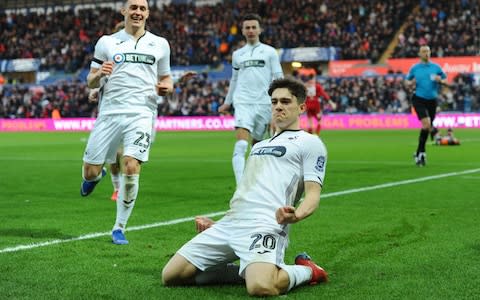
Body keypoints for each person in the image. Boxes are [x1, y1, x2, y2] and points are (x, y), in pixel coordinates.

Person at [162, 77, 328, 296]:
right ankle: (252, 270)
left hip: (266, 224)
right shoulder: (261, 145)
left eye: (286, 101)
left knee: (261, 287)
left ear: (302, 107)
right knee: (172, 276)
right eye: (274, 101)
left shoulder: (310, 143)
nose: (278, 106)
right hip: (231, 223)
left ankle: (308, 270)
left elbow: (313, 195)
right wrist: (220, 223)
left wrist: (295, 215)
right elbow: (248, 191)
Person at [80, 0, 173, 245]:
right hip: (109, 113)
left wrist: (167, 87)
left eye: (142, 8)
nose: (137, 12)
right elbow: (90, 81)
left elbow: (166, 77)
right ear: (124, 11)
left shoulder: (160, 44)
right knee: (89, 172)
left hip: (142, 113)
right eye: (133, 7)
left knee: (131, 166)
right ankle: (96, 175)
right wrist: (99, 75)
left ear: (148, 13)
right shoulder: (107, 42)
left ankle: (119, 227)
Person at [218, 13, 283, 185]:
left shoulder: (270, 52)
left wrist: (279, 102)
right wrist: (227, 102)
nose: (251, 30)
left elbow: (278, 77)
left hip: (263, 103)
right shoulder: (238, 54)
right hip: (243, 103)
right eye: (247, 27)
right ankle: (242, 187)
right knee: (241, 145)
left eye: (254, 27)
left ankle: (258, 181)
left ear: (260, 29)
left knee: (258, 146)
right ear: (243, 31)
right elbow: (234, 79)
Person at [405, 45, 447, 166]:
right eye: (424, 51)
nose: (426, 54)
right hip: (418, 99)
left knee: (426, 128)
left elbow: (445, 80)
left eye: (428, 51)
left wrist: (441, 80)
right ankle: (429, 145)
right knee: (427, 124)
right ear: (419, 54)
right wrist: (410, 83)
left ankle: (419, 153)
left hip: (432, 101)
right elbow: (407, 81)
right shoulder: (415, 68)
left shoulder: (436, 67)